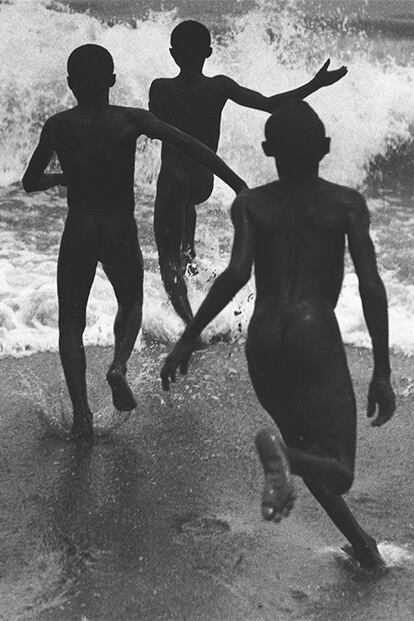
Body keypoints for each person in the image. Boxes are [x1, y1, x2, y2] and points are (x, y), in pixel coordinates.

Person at [160, 100, 396, 570]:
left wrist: (190, 334)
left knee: (303, 450)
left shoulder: (251, 203)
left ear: (268, 149)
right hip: (314, 335)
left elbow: (235, 275)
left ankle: (363, 545)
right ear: (325, 148)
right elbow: (370, 284)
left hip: (264, 339)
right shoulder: (346, 203)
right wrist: (382, 370)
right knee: (337, 469)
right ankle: (284, 455)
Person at [22, 44, 246, 440]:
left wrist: (60, 179)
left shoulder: (58, 126)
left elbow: (29, 183)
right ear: (112, 80)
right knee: (131, 303)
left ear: (71, 83)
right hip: (118, 229)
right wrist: (237, 184)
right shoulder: (130, 120)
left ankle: (82, 417)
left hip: (79, 229)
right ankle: (118, 366)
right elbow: (192, 146)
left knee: (70, 322)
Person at [149, 19, 348, 326]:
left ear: (173, 54)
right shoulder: (219, 86)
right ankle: (195, 273)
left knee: (168, 259)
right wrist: (315, 84)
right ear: (209, 52)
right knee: (187, 229)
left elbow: (154, 129)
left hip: (173, 177)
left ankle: (190, 324)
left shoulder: (160, 88)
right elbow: (272, 105)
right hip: (203, 181)